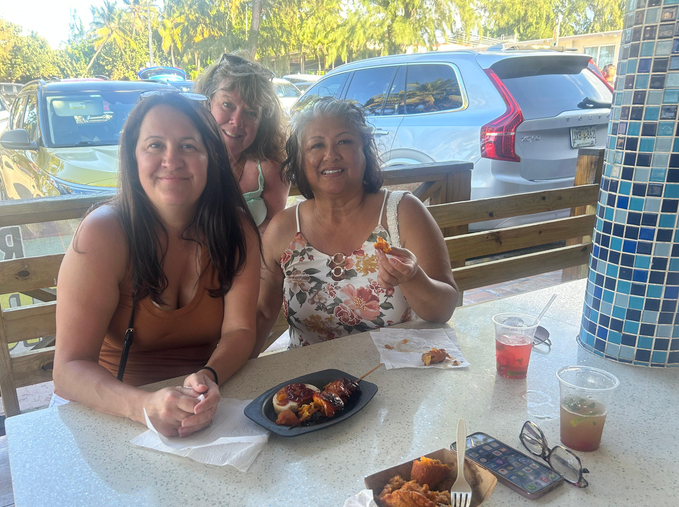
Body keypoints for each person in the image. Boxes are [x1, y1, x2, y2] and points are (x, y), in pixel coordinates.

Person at [52, 92, 261, 438]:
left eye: (189, 146)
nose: (172, 160)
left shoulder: (236, 230)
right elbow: (68, 370)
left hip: (206, 409)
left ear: (210, 158)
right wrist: (145, 407)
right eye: (154, 146)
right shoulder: (103, 233)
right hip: (110, 411)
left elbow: (239, 330)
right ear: (133, 158)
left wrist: (208, 376)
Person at [254, 98, 459, 355]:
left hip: (398, 372)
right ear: (299, 161)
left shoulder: (403, 213)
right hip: (311, 387)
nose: (331, 155)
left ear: (365, 151)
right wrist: (220, 376)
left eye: (344, 141)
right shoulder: (283, 228)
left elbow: (443, 309)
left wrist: (413, 278)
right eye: (316, 145)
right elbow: (261, 314)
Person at [194, 53, 289, 233]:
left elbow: (273, 233)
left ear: (262, 122)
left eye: (251, 113)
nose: (237, 122)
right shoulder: (185, 158)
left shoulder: (269, 169)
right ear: (208, 103)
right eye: (227, 105)